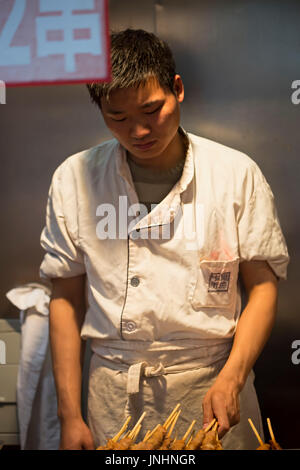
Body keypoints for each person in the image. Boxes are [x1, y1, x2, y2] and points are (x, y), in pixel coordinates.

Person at [39, 29, 289, 450]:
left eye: (151, 110)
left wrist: (233, 376)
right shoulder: (74, 178)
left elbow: (262, 285)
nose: (138, 131)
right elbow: (65, 295)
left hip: (212, 387)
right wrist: (69, 415)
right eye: (117, 117)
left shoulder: (234, 173)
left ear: (177, 89)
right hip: (115, 394)